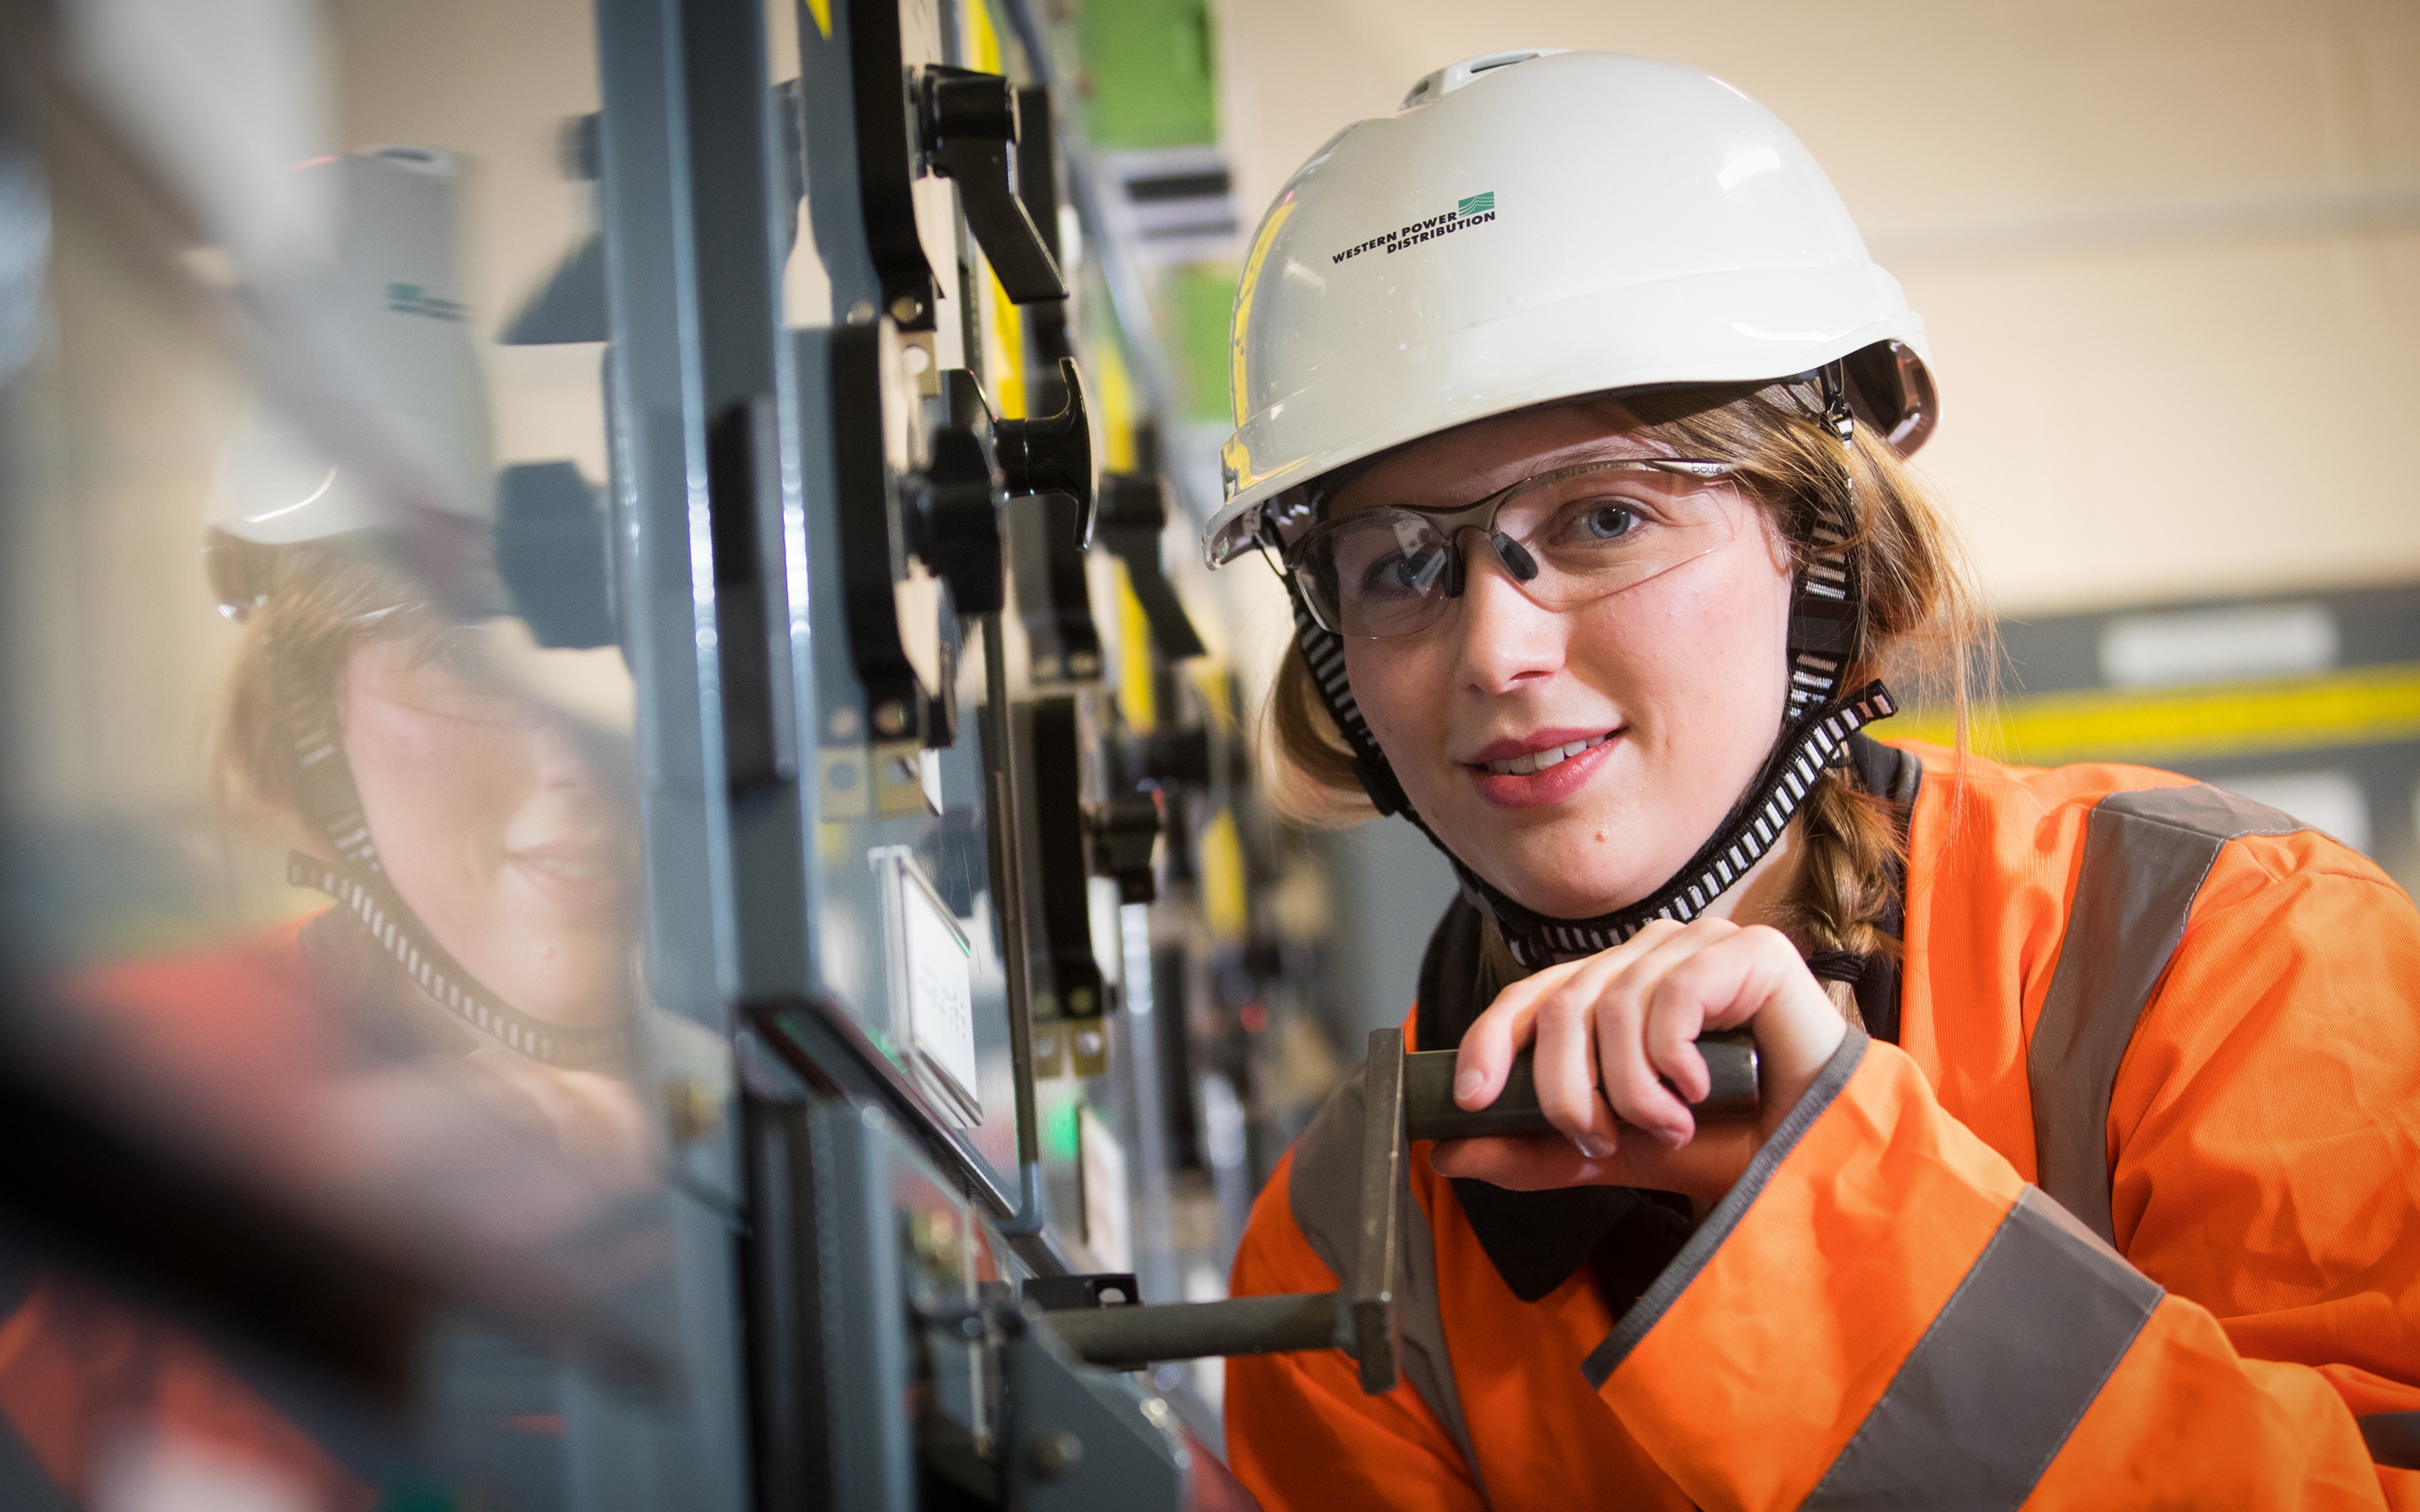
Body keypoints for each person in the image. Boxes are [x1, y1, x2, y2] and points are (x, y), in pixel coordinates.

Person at [1211, 50, 2420, 1509]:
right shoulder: (1344, 1248)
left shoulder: (2228, 955)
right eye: (1400, 564)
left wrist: (1831, 1207)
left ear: (1829, 547)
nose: (1498, 647)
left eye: (1605, 515)